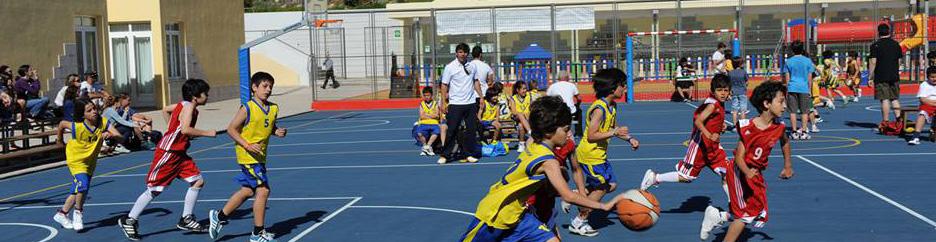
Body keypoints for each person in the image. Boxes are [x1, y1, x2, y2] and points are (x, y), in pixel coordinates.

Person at [458, 96, 628, 242]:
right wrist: (604, 206)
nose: (569, 135)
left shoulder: (534, 143)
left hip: (519, 214)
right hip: (495, 214)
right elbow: (568, 195)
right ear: (549, 132)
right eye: (566, 130)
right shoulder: (549, 161)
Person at [118, 79, 215, 240]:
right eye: (205, 93)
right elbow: (185, 129)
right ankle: (129, 220)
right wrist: (207, 133)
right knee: (155, 189)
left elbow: (165, 109)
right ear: (195, 96)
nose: (208, 96)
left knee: (198, 181)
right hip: (169, 152)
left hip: (179, 153)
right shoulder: (189, 107)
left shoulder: (184, 104)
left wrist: (171, 128)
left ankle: (187, 218)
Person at [700, 81, 795, 241]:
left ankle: (717, 215)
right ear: (766, 104)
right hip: (739, 172)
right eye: (780, 101)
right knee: (745, 215)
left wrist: (788, 165)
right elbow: (738, 157)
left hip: (754, 173)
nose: (784, 106)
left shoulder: (779, 127)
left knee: (755, 210)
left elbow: (785, 142)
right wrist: (747, 172)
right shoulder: (748, 127)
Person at [208, 72, 287, 242]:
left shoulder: (273, 108)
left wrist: (276, 131)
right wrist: (247, 145)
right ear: (254, 87)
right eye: (264, 86)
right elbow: (231, 129)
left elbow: (268, 126)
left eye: (270, 86)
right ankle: (257, 233)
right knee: (263, 190)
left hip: (260, 157)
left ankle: (219, 216)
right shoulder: (247, 108)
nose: (268, 89)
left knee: (248, 191)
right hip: (247, 156)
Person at [569, 68, 640, 237]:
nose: (625, 88)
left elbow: (612, 129)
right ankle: (579, 221)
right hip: (590, 155)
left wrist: (629, 138)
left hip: (598, 155)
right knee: (602, 187)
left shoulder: (612, 106)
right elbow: (592, 135)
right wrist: (615, 133)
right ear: (612, 88)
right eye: (622, 85)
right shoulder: (600, 109)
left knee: (612, 185)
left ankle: (576, 196)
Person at [640, 74, 731, 202]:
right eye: (719, 90)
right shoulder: (712, 105)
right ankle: (655, 177)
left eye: (725, 90)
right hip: (700, 147)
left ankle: (734, 205)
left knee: (728, 173)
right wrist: (709, 134)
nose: (723, 93)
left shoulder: (720, 104)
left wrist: (720, 126)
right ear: (713, 91)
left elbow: (711, 121)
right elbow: (699, 121)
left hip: (713, 148)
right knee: (687, 178)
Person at [51, 98, 123, 232]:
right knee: (82, 185)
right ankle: (78, 213)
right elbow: (61, 124)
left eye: (94, 108)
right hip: (76, 159)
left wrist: (112, 135)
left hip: (90, 160)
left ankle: (62, 214)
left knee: (80, 190)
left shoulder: (103, 123)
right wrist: (59, 140)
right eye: (89, 110)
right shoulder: (77, 126)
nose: (94, 112)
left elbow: (121, 137)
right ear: (83, 114)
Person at [438, 43, 482, 164]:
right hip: (455, 104)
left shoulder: (472, 66)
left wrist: (481, 97)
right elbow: (444, 85)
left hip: (470, 103)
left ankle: (468, 154)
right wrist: (443, 102)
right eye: (460, 52)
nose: (463, 54)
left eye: (465, 52)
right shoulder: (450, 67)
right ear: (456, 53)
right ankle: (445, 155)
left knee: (471, 130)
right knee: (452, 130)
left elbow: (476, 82)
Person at [869, 23, 903, 125]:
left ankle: (885, 121)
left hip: (881, 75)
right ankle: (899, 119)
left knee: (884, 99)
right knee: (894, 98)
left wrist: (871, 77)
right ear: (889, 31)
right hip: (894, 75)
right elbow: (899, 61)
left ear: (878, 32)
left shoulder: (875, 45)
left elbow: (873, 62)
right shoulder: (896, 44)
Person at [783, 40, 815, 140]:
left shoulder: (789, 61)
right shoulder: (808, 61)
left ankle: (794, 132)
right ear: (802, 49)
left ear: (792, 50)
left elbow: (787, 78)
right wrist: (809, 89)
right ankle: (804, 131)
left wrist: (787, 90)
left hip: (792, 87)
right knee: (804, 111)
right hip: (804, 88)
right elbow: (810, 78)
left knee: (792, 111)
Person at [908, 66, 936, 145]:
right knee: (922, 114)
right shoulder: (924, 84)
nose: (934, 79)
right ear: (928, 77)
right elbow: (922, 99)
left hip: (931, 103)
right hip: (927, 105)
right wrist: (933, 103)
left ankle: (933, 129)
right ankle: (916, 137)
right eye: (932, 77)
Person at [416, 87, 441, 156]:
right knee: (419, 133)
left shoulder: (435, 104)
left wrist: (426, 115)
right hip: (423, 123)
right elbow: (421, 116)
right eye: (425, 95)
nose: (427, 97)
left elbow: (437, 115)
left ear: (431, 95)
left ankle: (428, 146)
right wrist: (431, 115)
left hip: (434, 123)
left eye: (428, 95)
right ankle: (425, 146)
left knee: (437, 131)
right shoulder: (422, 104)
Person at [727, 56, 750, 131]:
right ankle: (742, 126)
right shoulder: (743, 72)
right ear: (740, 64)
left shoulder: (730, 73)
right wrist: (745, 86)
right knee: (743, 110)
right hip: (742, 92)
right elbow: (747, 81)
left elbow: (729, 83)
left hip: (734, 92)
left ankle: (734, 126)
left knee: (734, 110)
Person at [509, 80, 533, 152]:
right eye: (523, 89)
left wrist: (526, 115)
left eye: (525, 88)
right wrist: (523, 114)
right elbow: (514, 112)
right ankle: (530, 132)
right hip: (517, 118)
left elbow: (532, 109)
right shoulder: (513, 98)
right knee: (520, 114)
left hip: (527, 119)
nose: (525, 90)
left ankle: (521, 144)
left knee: (521, 125)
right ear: (517, 90)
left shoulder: (529, 96)